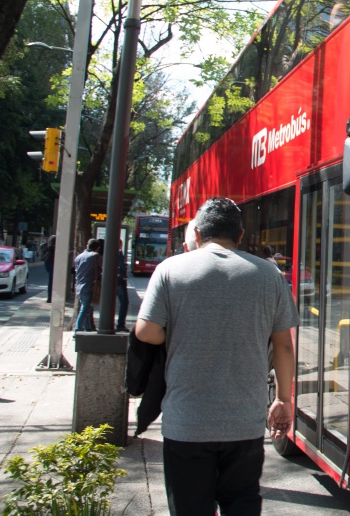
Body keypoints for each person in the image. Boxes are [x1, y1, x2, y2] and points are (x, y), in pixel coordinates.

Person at [135, 198, 298, 515]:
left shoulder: (171, 269)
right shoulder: (269, 276)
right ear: (240, 235)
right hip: (245, 424)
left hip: (186, 423)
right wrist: (283, 399)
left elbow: (146, 332)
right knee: (242, 502)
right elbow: (284, 346)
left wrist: (184, 331)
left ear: (196, 233)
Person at [73, 239, 101, 333]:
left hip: (79, 286)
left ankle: (88, 329)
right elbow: (101, 268)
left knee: (86, 308)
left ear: (87, 245)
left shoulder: (78, 257)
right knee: (85, 309)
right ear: (97, 248)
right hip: (89, 285)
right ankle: (77, 330)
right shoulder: (95, 256)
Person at [116, 238, 130, 333]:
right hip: (119, 281)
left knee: (124, 302)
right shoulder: (118, 253)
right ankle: (120, 324)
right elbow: (119, 266)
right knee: (124, 302)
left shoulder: (116, 253)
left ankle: (120, 324)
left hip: (118, 281)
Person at [43, 235, 56, 303]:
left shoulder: (50, 240)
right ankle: (50, 297)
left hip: (48, 262)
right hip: (51, 262)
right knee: (51, 281)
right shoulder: (53, 247)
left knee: (51, 280)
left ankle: (50, 297)